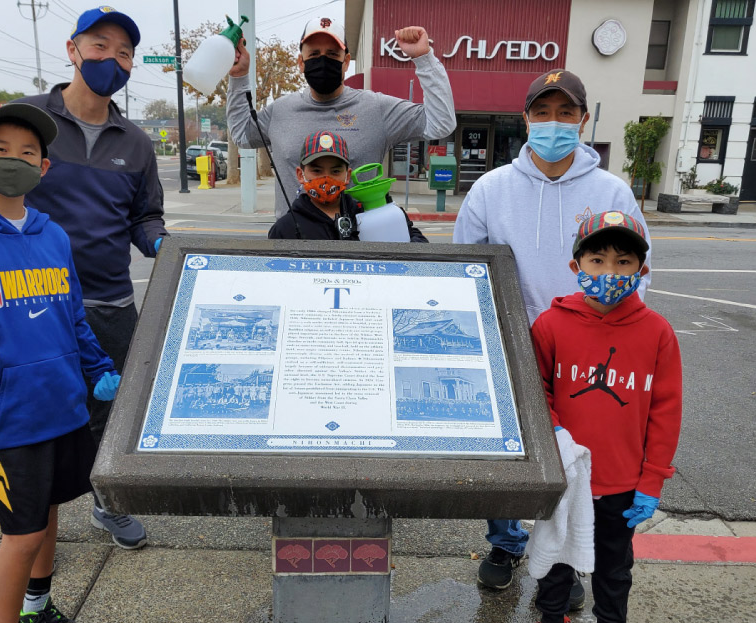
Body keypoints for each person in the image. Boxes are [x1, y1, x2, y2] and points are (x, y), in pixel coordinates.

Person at [452, 69, 652, 605]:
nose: (554, 123)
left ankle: (566, 559)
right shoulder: (492, 189)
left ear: (582, 120)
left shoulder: (611, 191)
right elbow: (464, 268)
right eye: (543, 113)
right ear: (526, 119)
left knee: (575, 456)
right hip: (512, 345)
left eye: (566, 113)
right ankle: (505, 543)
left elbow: (638, 273)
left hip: (584, 352)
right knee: (507, 455)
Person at [0, 103, 122, 623]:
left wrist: (99, 368)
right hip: (7, 416)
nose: (15, 159)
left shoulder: (53, 236)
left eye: (28, 151)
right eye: (0, 149)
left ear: (44, 167)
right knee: (22, 532)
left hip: (62, 403)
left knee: (50, 512)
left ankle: (40, 604)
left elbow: (72, 313)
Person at [14, 5, 165, 549]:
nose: (113, 60)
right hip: (35, 304)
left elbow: (144, 218)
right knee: (46, 414)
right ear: (73, 49)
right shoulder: (26, 121)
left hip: (110, 303)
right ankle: (35, 525)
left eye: (124, 53)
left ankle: (108, 504)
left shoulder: (137, 142)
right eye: (100, 46)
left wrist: (163, 246)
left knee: (112, 411)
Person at [530, 212, 682, 623]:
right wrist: (556, 433)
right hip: (566, 475)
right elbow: (534, 391)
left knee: (614, 569)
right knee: (557, 566)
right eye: (597, 260)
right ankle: (551, 617)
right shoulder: (550, 325)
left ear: (641, 269)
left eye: (623, 261)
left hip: (623, 482)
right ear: (575, 266)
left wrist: (652, 479)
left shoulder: (657, 332)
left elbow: (666, 411)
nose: (610, 272)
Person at [228, 17, 456, 217]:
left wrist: (424, 59)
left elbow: (440, 123)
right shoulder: (280, 111)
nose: (323, 61)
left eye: (332, 54)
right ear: (301, 62)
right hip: (295, 248)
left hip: (360, 250)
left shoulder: (376, 109)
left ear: (346, 61)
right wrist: (239, 77)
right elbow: (241, 134)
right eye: (314, 54)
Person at [269, 130, 427, 241]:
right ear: (300, 175)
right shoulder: (285, 228)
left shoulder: (369, 213)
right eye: (316, 170)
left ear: (347, 176)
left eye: (336, 171)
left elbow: (416, 243)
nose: (326, 178)